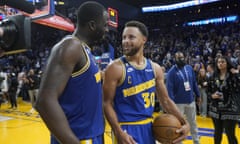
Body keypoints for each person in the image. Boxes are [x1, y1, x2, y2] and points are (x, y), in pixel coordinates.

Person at [103, 20, 190, 144]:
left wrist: (184, 122)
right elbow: (106, 103)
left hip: (149, 128)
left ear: (144, 39)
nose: (125, 41)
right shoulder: (115, 68)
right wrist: (118, 131)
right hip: (126, 128)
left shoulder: (155, 68)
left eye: (131, 37)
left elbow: (165, 101)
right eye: (123, 37)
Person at [35, 1, 108, 144]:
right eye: (104, 25)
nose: (107, 29)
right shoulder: (71, 46)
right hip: (79, 138)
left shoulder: (86, 51)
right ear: (92, 25)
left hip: (93, 135)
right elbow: (44, 101)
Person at [166, 51, 201, 144]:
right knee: (178, 125)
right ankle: (178, 142)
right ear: (175, 59)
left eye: (182, 57)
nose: (181, 59)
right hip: (178, 103)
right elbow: (170, 90)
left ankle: (196, 141)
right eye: (179, 58)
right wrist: (171, 105)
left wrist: (198, 95)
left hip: (190, 101)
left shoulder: (189, 68)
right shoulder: (171, 72)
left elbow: (194, 83)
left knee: (193, 122)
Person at [207, 56, 240, 144]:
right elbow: (208, 92)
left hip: (231, 109)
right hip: (216, 109)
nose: (220, 64)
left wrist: (237, 74)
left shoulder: (233, 75)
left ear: (227, 63)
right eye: (218, 62)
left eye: (223, 62)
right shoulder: (212, 77)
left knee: (230, 133)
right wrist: (212, 96)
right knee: (217, 132)